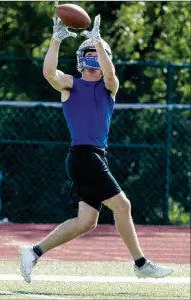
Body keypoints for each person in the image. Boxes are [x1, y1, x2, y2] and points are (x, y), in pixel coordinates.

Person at [19, 15, 174, 283]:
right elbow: (48, 73)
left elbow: (111, 74)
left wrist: (98, 42)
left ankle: (33, 252)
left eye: (97, 54)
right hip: (83, 156)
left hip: (91, 157)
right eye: (88, 52)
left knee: (86, 222)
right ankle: (140, 263)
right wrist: (56, 38)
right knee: (122, 206)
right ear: (80, 59)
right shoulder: (70, 84)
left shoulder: (108, 88)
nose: (93, 58)